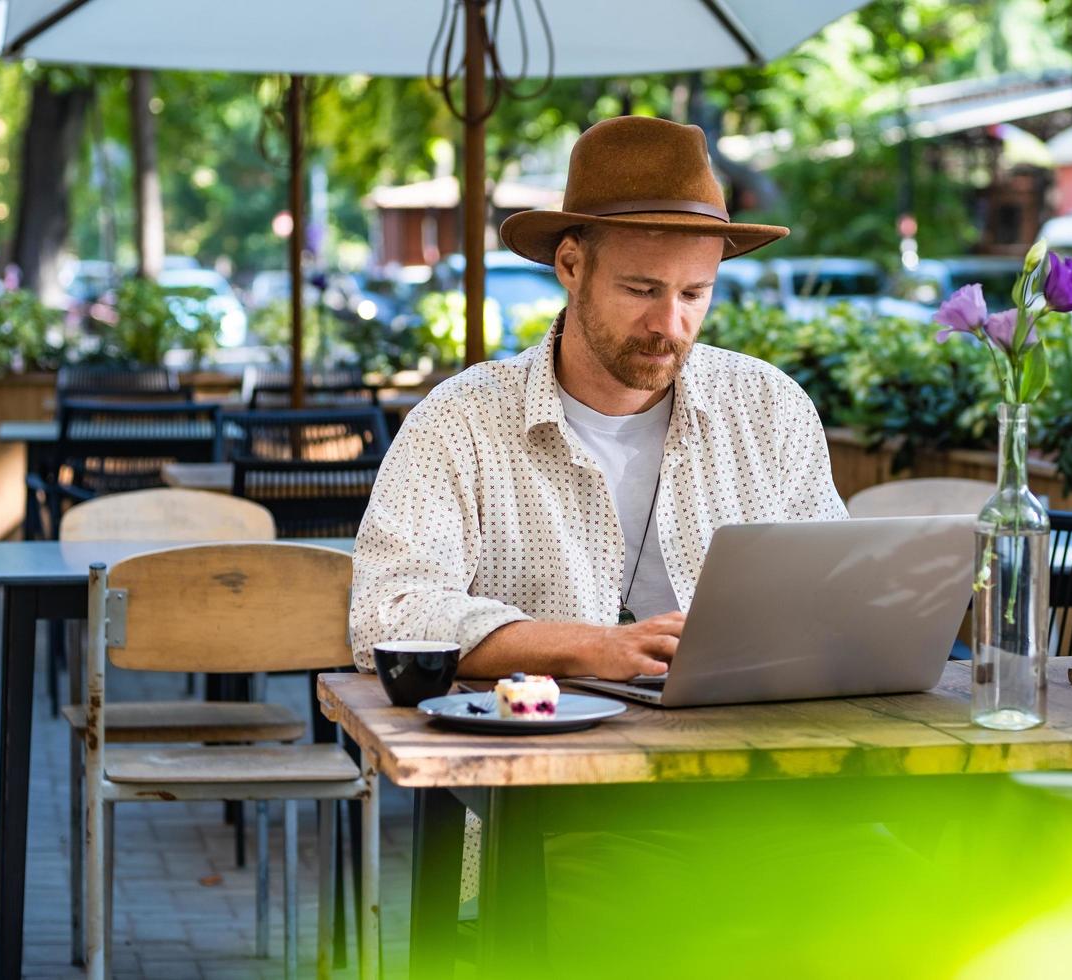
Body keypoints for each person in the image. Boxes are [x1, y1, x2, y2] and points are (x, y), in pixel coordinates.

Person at [350, 115, 846, 678]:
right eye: (641, 289)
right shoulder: (460, 420)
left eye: (694, 293)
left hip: (740, 744)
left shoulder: (769, 409)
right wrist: (590, 647)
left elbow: (834, 594)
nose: (669, 322)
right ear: (570, 265)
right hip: (535, 750)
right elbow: (386, 616)